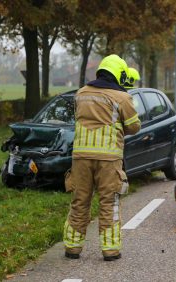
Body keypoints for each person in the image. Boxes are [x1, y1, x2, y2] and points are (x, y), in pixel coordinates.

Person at [63, 54, 141, 261]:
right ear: (119, 74)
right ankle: (110, 250)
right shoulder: (122, 98)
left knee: (80, 201)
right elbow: (134, 126)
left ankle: (72, 248)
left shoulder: (81, 94)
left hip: (81, 157)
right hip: (109, 159)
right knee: (109, 203)